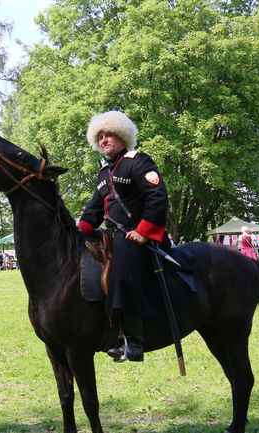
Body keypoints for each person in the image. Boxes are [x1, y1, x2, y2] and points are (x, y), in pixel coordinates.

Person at [76, 111, 170, 363]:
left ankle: (133, 340)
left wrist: (143, 231)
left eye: (109, 134)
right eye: (101, 136)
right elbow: (94, 210)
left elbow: (157, 195)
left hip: (138, 236)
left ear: (122, 136)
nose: (104, 140)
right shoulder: (103, 173)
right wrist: (78, 231)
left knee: (122, 271)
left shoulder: (137, 161)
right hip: (113, 234)